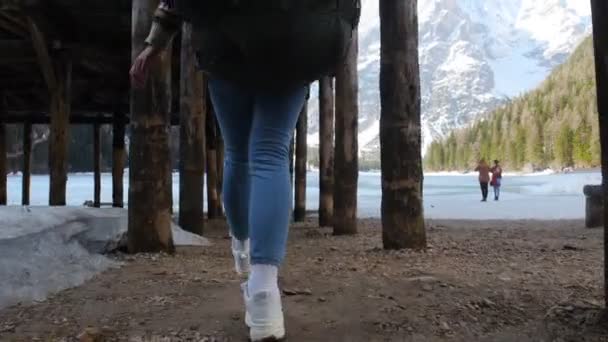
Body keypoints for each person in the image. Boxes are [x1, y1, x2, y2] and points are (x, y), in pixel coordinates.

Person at [130, 1, 360, 341]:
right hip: (295, 41)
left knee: (238, 154)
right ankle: (265, 289)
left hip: (226, 42)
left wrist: (156, 40)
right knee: (270, 153)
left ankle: (242, 250)